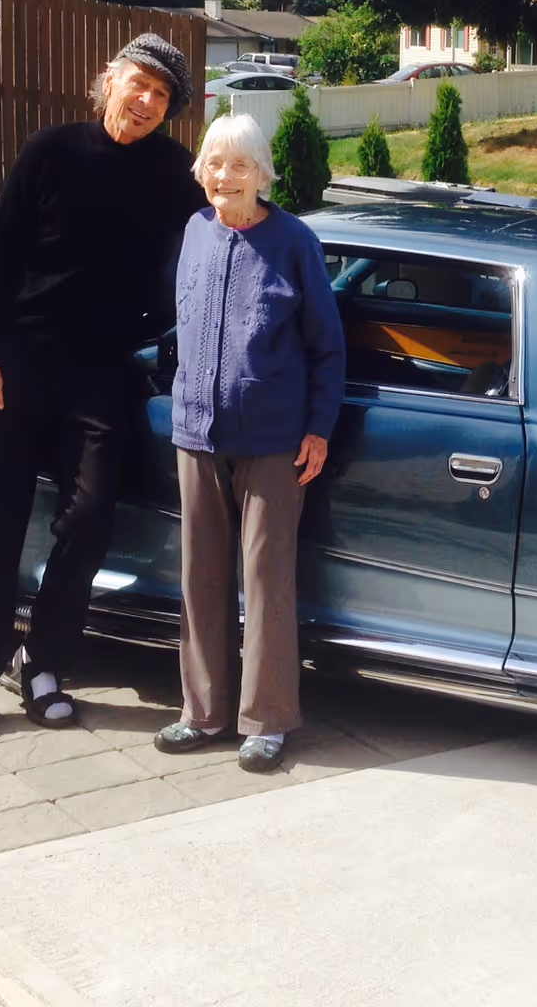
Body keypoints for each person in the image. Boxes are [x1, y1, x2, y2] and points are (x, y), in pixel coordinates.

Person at [0, 33, 207, 753]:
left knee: (89, 519)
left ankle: (45, 663)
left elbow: (221, 217)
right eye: (139, 84)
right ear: (110, 79)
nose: (147, 102)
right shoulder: (50, 151)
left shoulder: (173, 170)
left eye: (162, 96)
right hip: (18, 363)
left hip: (103, 370)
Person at [153, 112, 345, 773]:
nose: (223, 176)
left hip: (272, 440)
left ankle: (266, 720)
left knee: (266, 580)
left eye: (237, 165)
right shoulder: (195, 230)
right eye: (213, 163)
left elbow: (327, 345)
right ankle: (200, 712)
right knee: (199, 577)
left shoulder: (294, 241)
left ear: (261, 174)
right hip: (197, 433)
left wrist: (319, 428)